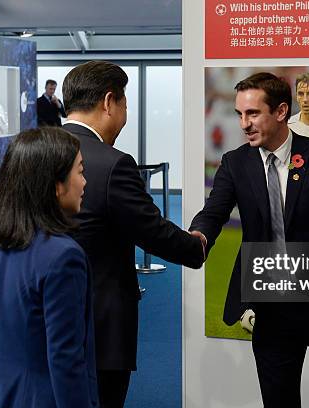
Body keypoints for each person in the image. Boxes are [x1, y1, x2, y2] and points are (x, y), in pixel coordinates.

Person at [189, 72, 309, 407]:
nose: (244, 123)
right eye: (240, 114)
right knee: (278, 399)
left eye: (253, 114)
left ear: (281, 111)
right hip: (269, 306)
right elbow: (213, 213)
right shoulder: (235, 163)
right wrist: (198, 236)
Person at [61, 61, 205, 408]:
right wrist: (196, 245)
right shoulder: (112, 163)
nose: (125, 115)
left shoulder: (28, 150)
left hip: (38, 318)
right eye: (125, 105)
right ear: (109, 102)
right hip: (97, 324)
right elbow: (152, 230)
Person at [0, 127, 97, 408]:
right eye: (79, 171)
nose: (85, 182)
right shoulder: (63, 257)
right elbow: (65, 359)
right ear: (55, 185)